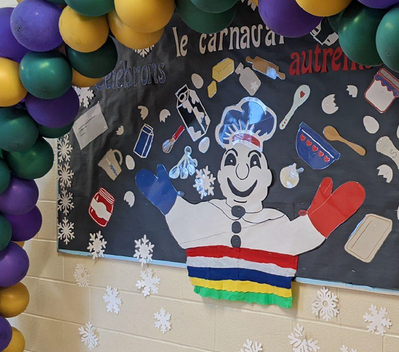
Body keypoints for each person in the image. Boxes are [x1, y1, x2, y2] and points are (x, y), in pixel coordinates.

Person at [136, 97, 365, 307]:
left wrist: (320, 221)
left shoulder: (273, 219)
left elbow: (294, 239)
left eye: (253, 162)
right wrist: (168, 201)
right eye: (232, 161)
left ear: (266, 178)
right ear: (221, 175)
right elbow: (186, 227)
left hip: (266, 289)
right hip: (208, 283)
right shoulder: (209, 211)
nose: (242, 172)